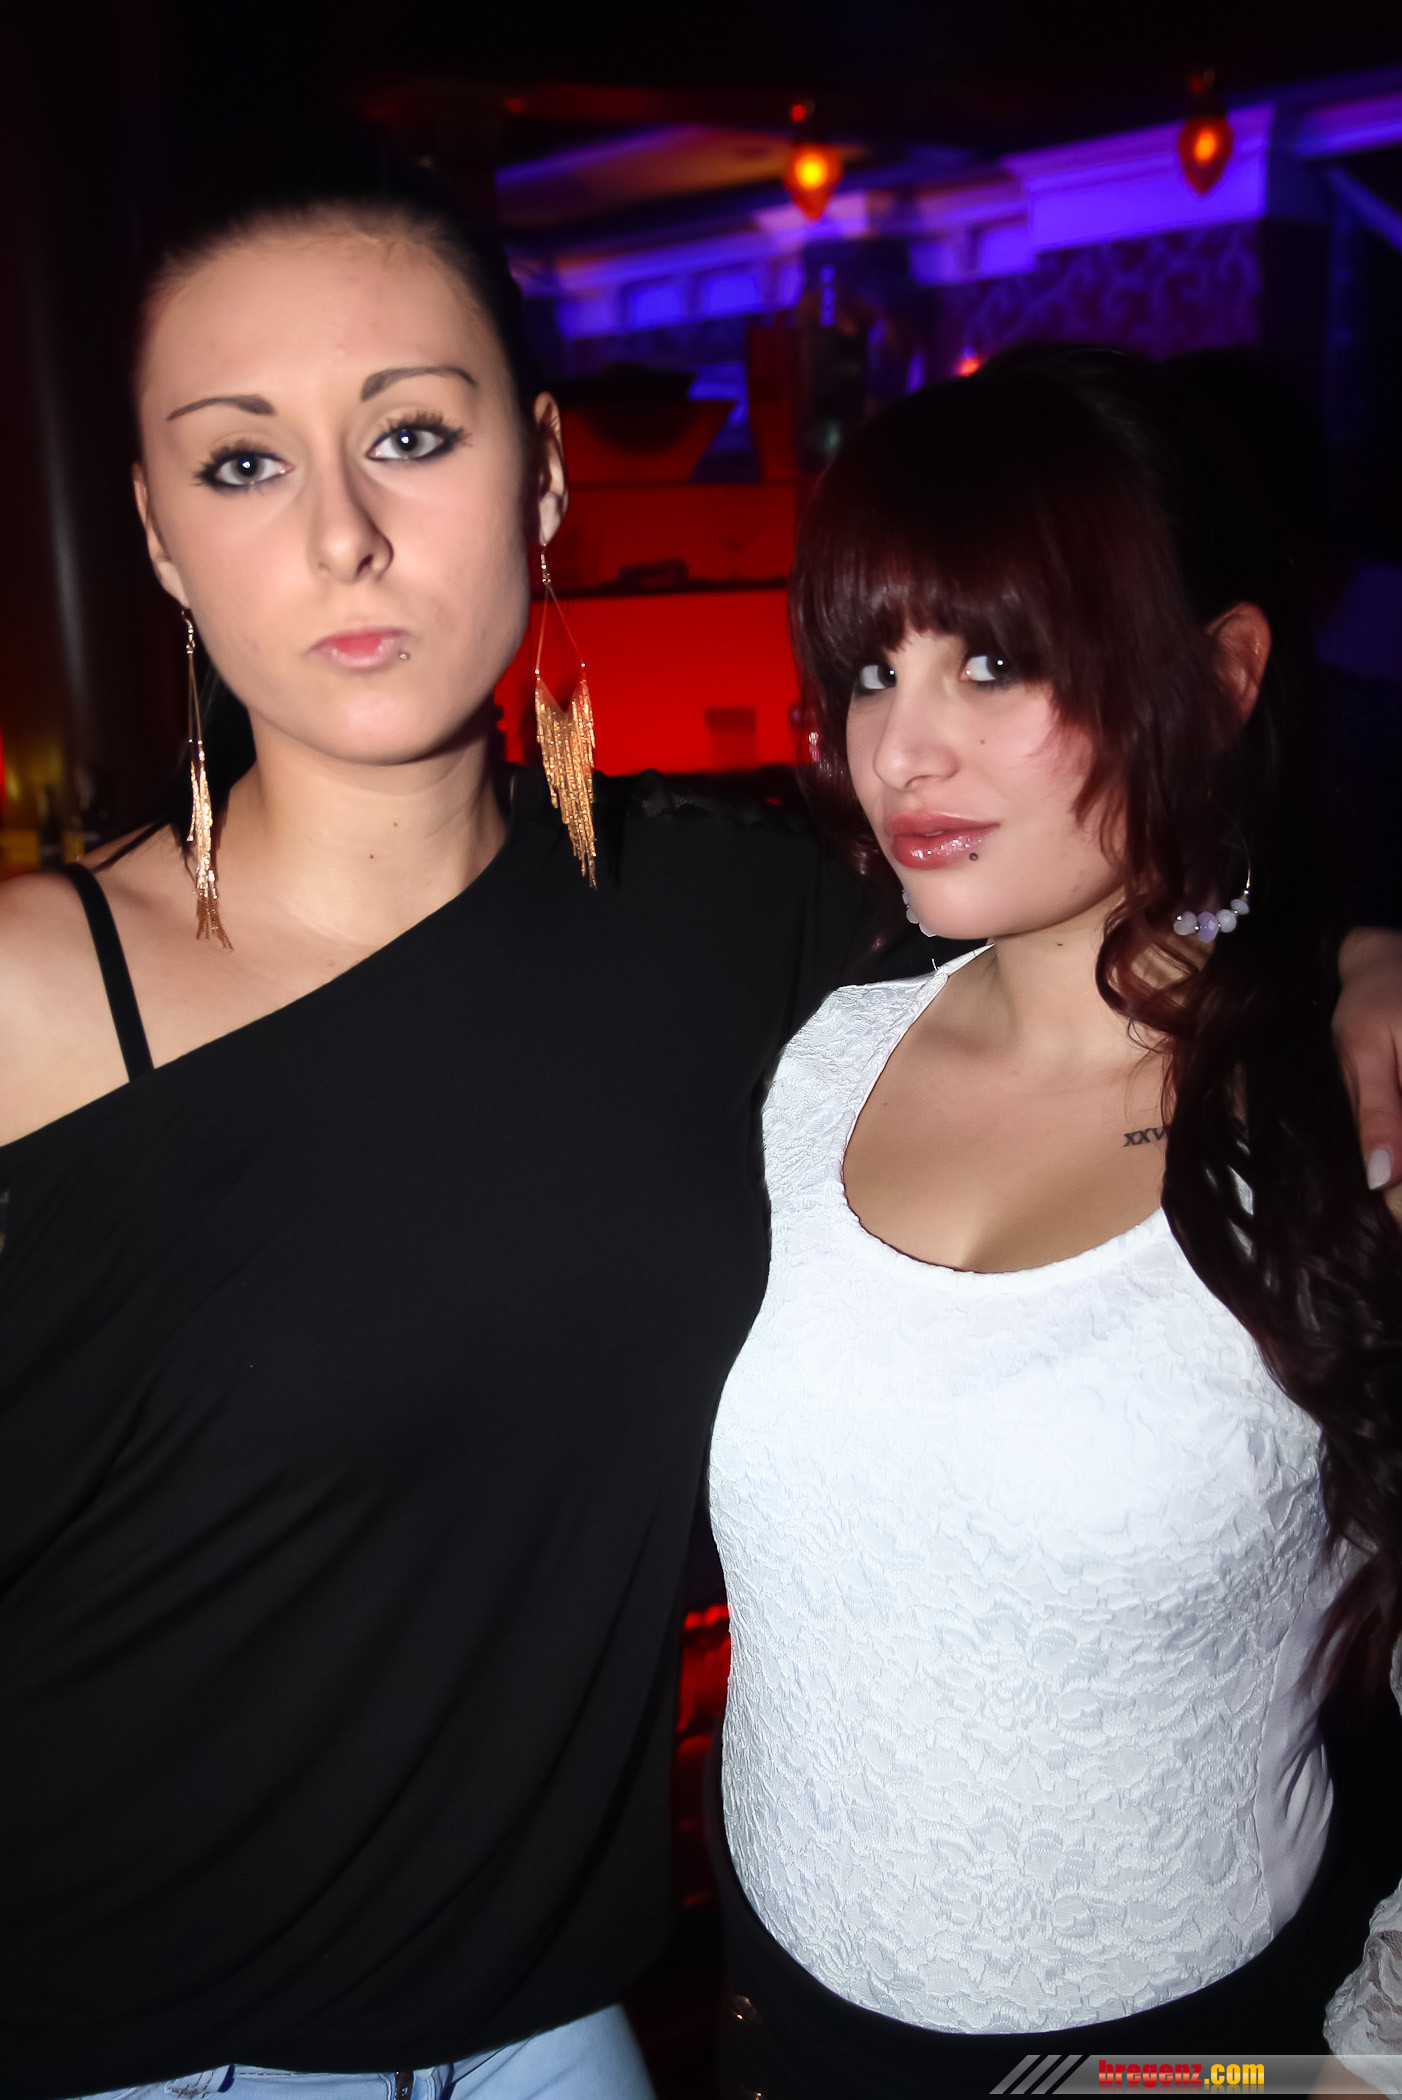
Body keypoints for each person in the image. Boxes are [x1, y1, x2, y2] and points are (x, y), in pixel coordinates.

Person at [0, 145, 1398, 2100]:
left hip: (562, 2035)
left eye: (408, 434)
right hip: (119, 2042)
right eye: (242, 462)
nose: (339, 536)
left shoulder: (738, 930)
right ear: (155, 535)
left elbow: (1105, 930)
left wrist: (1355, 965)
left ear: (543, 475)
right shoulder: (30, 994)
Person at [707, 344, 1402, 2099]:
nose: (901, 743)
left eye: (995, 661)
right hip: (779, 2007)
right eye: (870, 667)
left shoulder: (1347, 1123)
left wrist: (1368, 2063)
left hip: (1174, 2044)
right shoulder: (816, 1064)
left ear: (1220, 675)